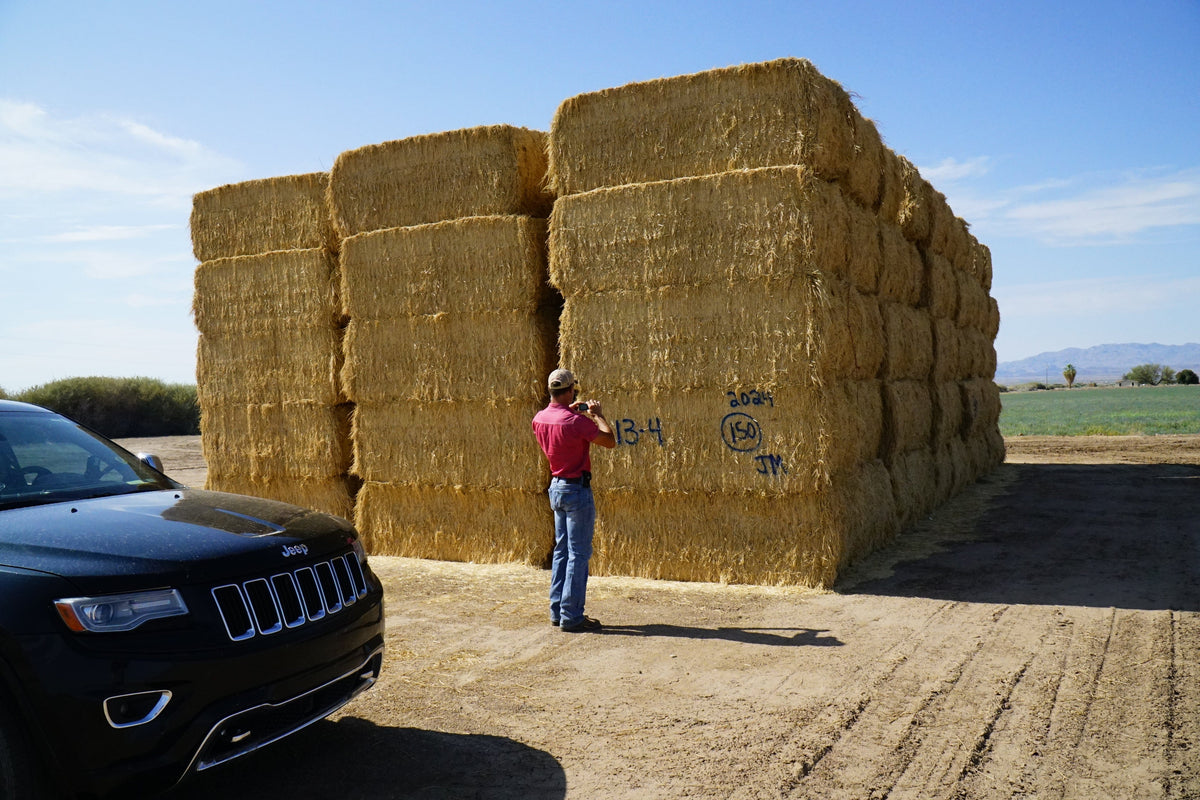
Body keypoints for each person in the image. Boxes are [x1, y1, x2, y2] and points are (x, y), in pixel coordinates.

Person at [531, 368, 616, 632]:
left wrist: (573, 412)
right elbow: (609, 441)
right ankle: (572, 616)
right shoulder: (576, 422)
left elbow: (560, 429)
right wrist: (597, 415)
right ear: (570, 391)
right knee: (578, 554)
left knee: (561, 551)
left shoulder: (539, 418)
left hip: (556, 486)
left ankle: (557, 610)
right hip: (576, 488)